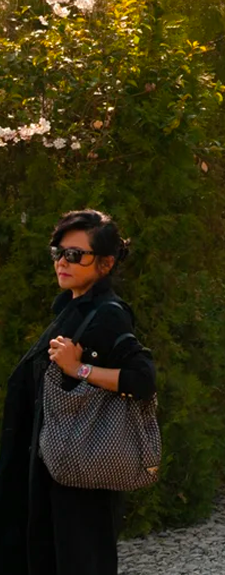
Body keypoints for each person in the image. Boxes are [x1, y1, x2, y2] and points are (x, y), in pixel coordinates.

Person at [0, 210, 155, 575]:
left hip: (80, 471)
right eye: (59, 252)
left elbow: (142, 379)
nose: (63, 263)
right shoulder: (72, 308)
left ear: (106, 263)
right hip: (54, 466)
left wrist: (79, 369)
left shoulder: (108, 313)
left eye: (75, 255)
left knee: (79, 560)